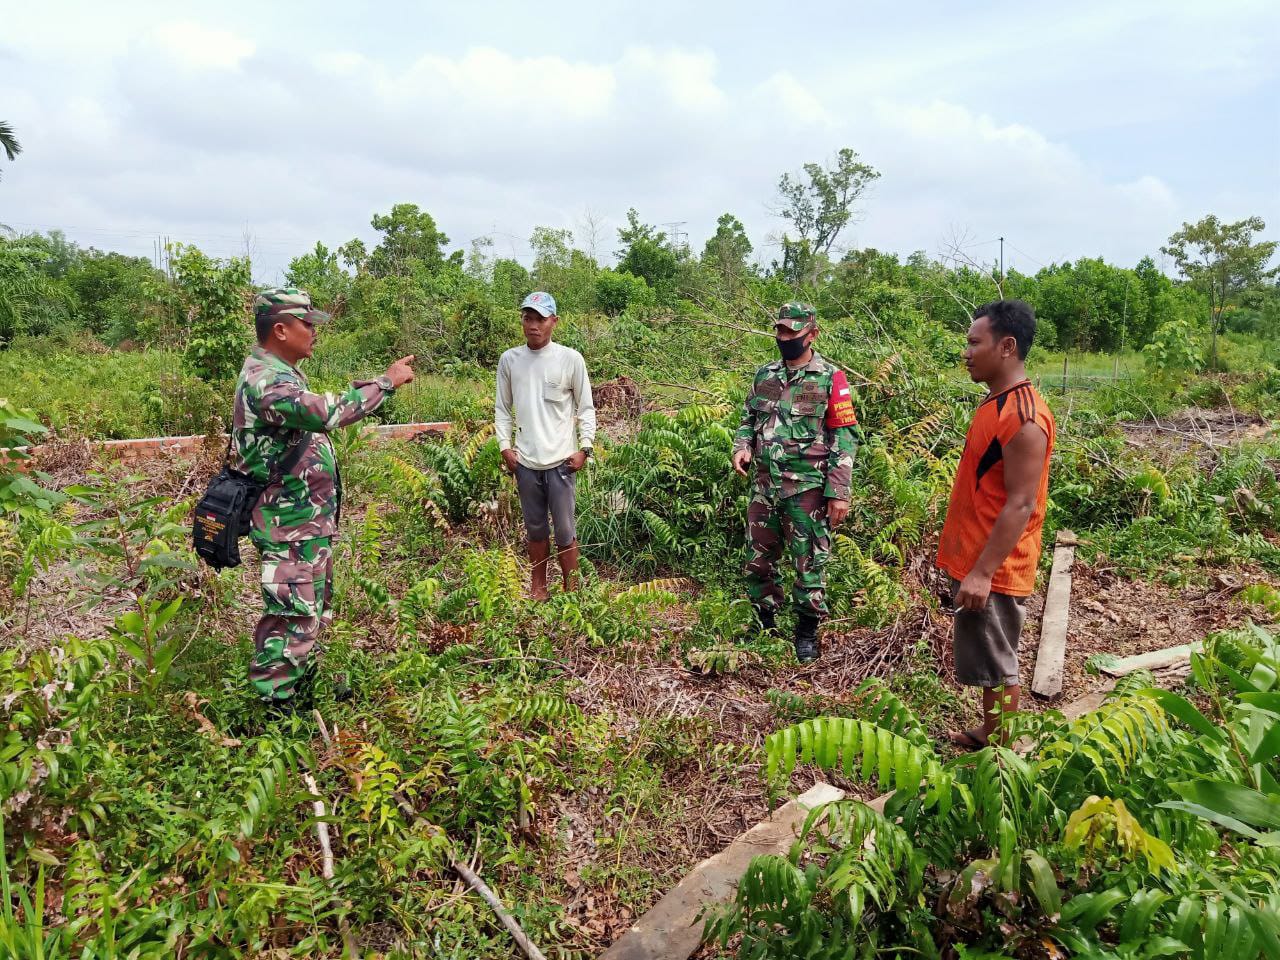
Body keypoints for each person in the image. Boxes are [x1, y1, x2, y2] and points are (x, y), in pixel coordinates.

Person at [233, 287, 415, 705]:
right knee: (291, 616)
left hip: (305, 521)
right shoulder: (267, 382)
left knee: (310, 612)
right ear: (280, 329)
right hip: (288, 524)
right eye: (307, 324)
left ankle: (300, 687)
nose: (314, 332)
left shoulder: (282, 373)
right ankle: (275, 710)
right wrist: (385, 383)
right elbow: (328, 413)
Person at [937, 299, 1055, 748]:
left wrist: (983, 572)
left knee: (999, 662)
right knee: (987, 657)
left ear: (1006, 346)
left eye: (974, 342)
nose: (966, 352)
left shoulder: (1023, 417)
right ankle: (992, 732)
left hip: (997, 566)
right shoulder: (997, 403)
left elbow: (1021, 504)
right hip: (978, 557)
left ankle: (1001, 752)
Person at [731, 303, 860, 663]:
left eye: (791, 333)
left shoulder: (830, 378)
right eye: (780, 332)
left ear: (812, 334)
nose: (783, 338)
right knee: (758, 560)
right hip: (764, 486)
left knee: (809, 563)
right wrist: (742, 447)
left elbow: (844, 438)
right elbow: (748, 418)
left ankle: (806, 633)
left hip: (807, 489)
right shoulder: (765, 375)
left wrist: (838, 492)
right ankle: (765, 623)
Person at [495, 291, 597, 600]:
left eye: (540, 319)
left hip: (562, 462)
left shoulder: (570, 359)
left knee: (565, 532)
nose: (533, 325)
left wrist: (585, 448)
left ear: (554, 321)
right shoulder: (510, 360)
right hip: (526, 462)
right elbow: (502, 408)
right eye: (528, 318)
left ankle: (572, 591)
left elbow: (586, 408)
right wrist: (505, 446)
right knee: (535, 530)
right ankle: (538, 589)